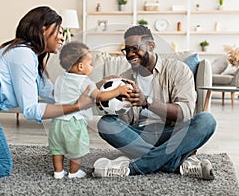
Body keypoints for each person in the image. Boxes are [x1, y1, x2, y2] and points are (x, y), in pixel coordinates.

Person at [0, 6, 94, 183]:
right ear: (43, 29)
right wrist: (76, 107)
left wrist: (99, 93)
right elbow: (30, 109)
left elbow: (54, 94)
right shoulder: (24, 54)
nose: (62, 37)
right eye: (59, 31)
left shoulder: (29, 56)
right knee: (0, 162)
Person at [93, 25, 217, 180]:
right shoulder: (124, 78)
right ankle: (175, 162)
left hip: (172, 134)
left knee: (206, 121)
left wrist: (147, 102)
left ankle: (132, 168)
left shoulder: (178, 70)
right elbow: (122, 121)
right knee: (106, 124)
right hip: (139, 135)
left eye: (135, 48)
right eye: (127, 50)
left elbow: (184, 113)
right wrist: (108, 102)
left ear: (151, 46)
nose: (131, 54)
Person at [49, 42, 132, 179]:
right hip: (74, 122)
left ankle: (58, 172)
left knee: (57, 148)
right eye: (91, 63)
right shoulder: (85, 81)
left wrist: (100, 83)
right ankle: (73, 173)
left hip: (57, 122)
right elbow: (99, 96)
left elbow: (57, 93)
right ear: (81, 66)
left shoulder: (60, 79)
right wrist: (118, 90)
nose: (92, 66)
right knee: (76, 149)